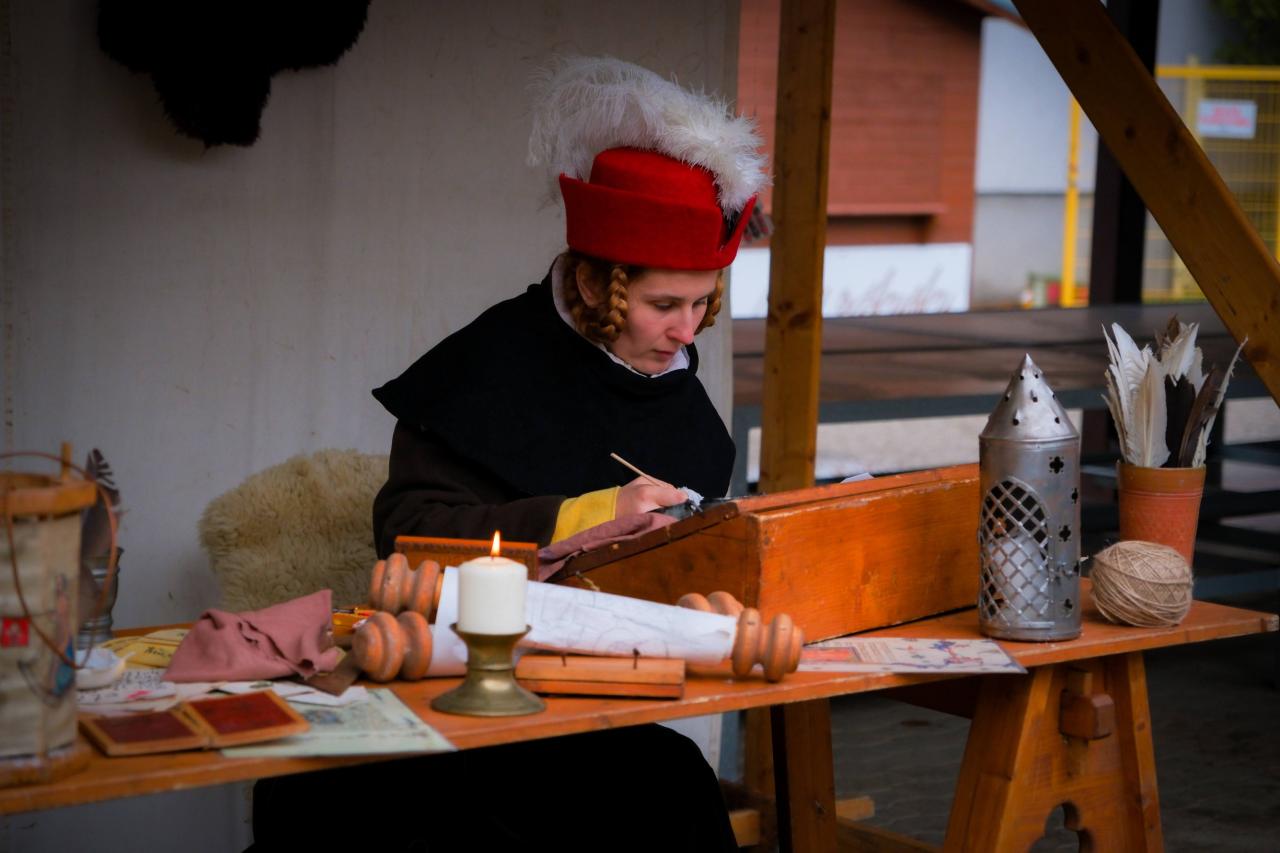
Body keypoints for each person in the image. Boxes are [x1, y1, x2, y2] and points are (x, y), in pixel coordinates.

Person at [251, 56, 766, 852]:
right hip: (451, 695)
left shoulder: (683, 404)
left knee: (671, 786)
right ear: (595, 287)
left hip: (588, 701)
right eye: (664, 303)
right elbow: (411, 535)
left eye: (702, 303)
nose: (685, 330)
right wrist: (597, 514)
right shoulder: (485, 368)